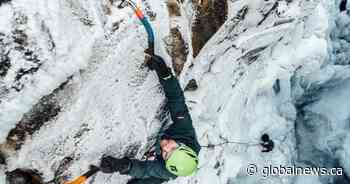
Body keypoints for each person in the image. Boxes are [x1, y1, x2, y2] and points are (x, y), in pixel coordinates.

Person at [99, 52, 201, 184]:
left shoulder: (167, 169)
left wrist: (123, 165)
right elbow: (177, 101)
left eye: (166, 155)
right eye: (173, 148)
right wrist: (165, 74)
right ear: (182, 145)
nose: (165, 148)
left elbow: (146, 169)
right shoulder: (184, 129)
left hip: (159, 173)